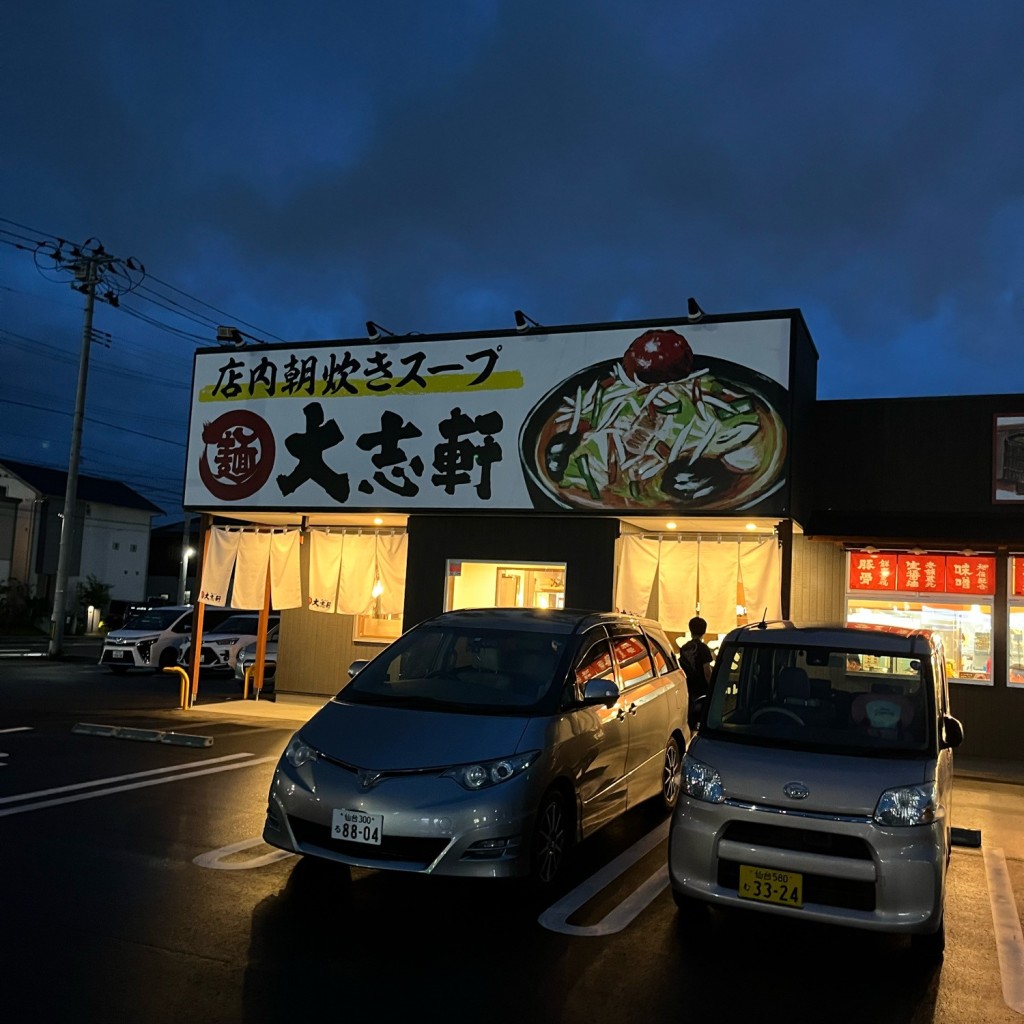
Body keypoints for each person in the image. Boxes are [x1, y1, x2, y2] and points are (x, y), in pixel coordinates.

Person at [679, 616, 714, 725]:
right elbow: (707, 672)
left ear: (690, 629)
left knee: (689, 719)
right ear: (704, 631)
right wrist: (712, 687)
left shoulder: (684, 648)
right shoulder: (703, 648)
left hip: (687, 687)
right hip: (701, 689)